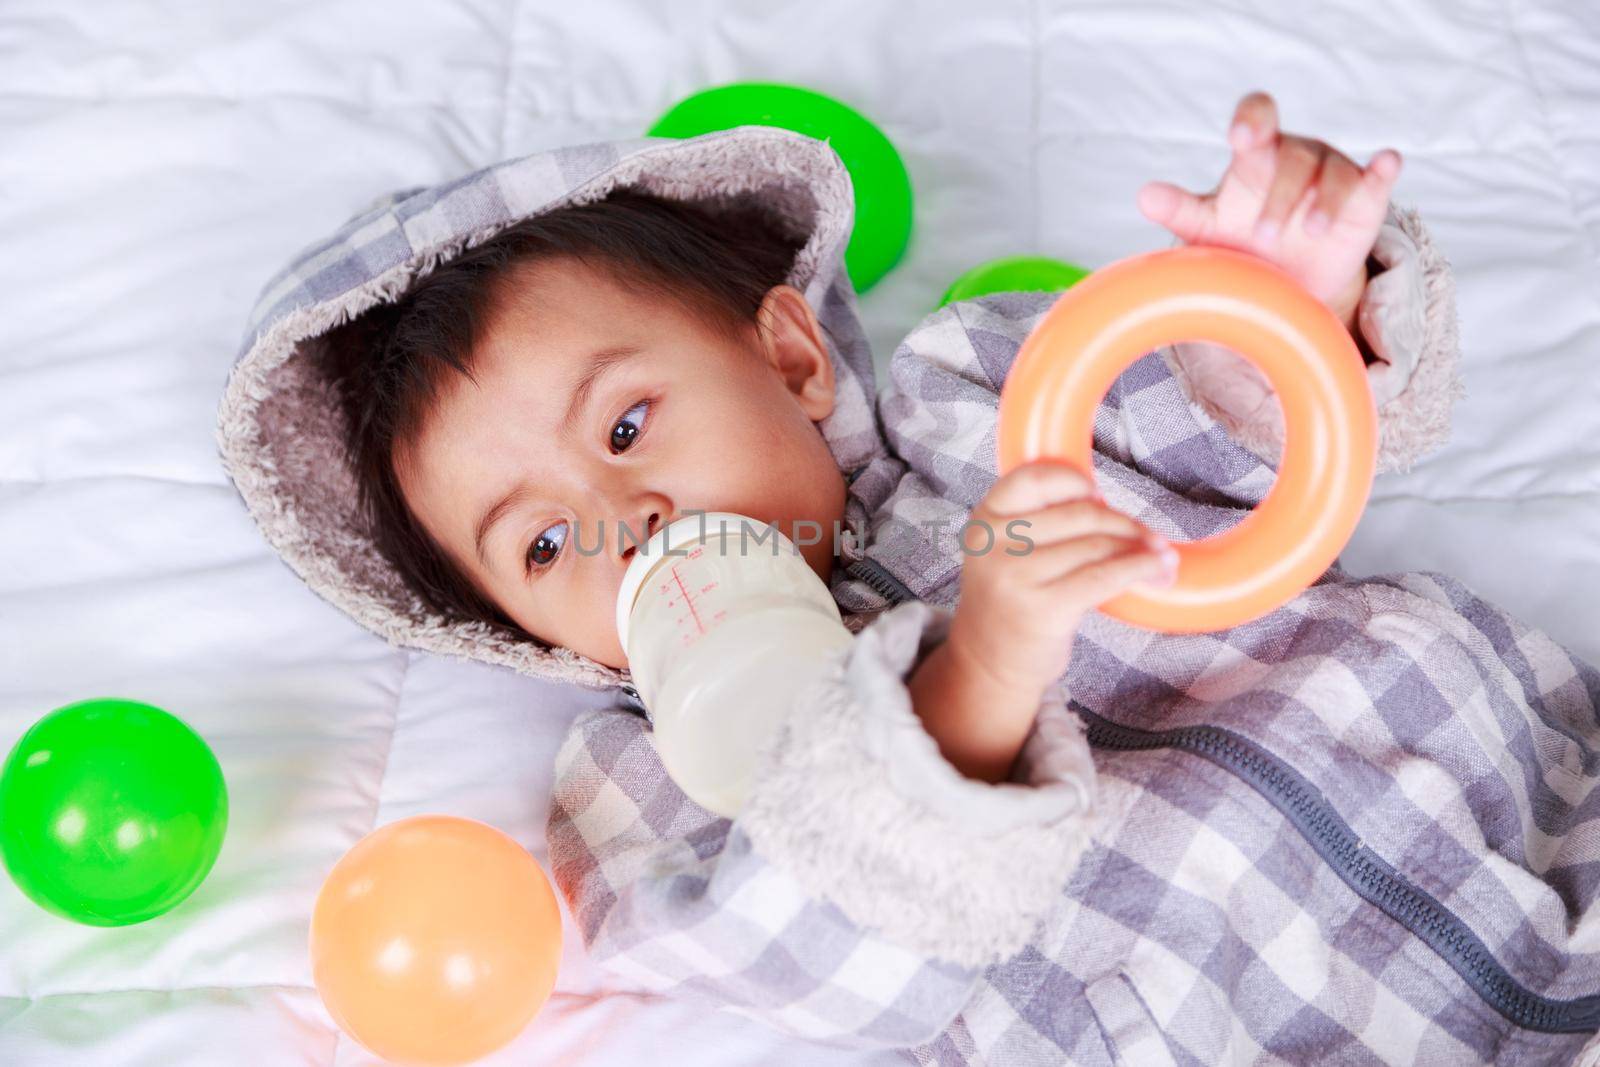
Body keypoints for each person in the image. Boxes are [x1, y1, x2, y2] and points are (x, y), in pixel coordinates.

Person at [215, 90, 1600, 1064]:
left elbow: (1225, 427)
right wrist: (978, 674)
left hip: (1523, 787)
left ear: (794, 358)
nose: (626, 520)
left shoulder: (977, 399)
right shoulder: (656, 778)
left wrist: (1279, 308)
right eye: (542, 545)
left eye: (628, 427)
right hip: (1264, 1016)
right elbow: (827, 953)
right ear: (511, 626)